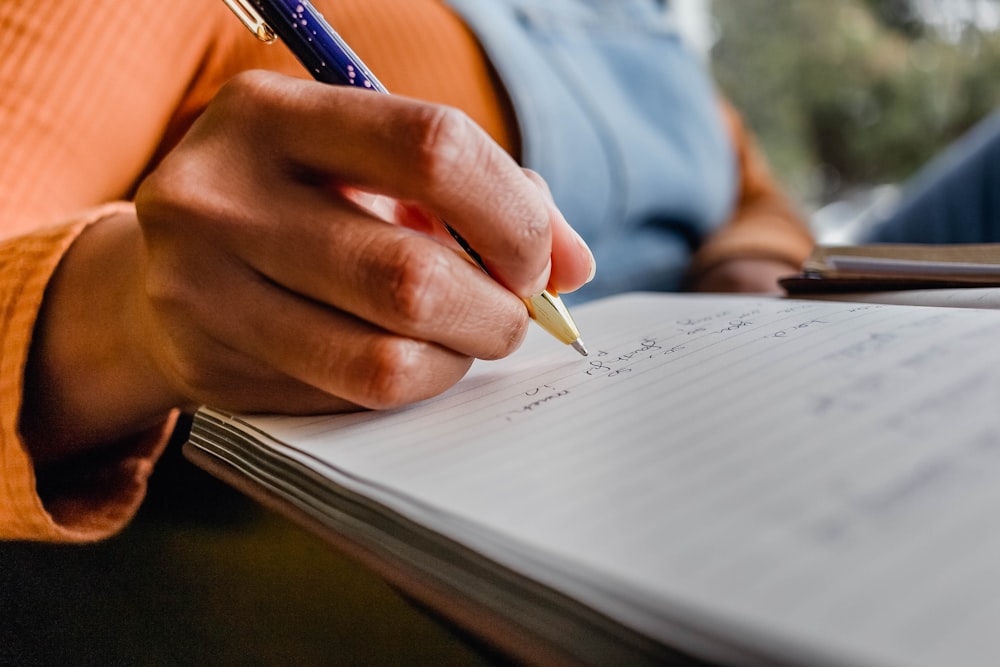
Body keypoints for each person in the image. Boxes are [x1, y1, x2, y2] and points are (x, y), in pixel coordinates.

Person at [0, 0, 813, 541]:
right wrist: (130, 316)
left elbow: (757, 190)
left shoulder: (645, 21)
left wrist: (750, 263)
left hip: (732, 402)